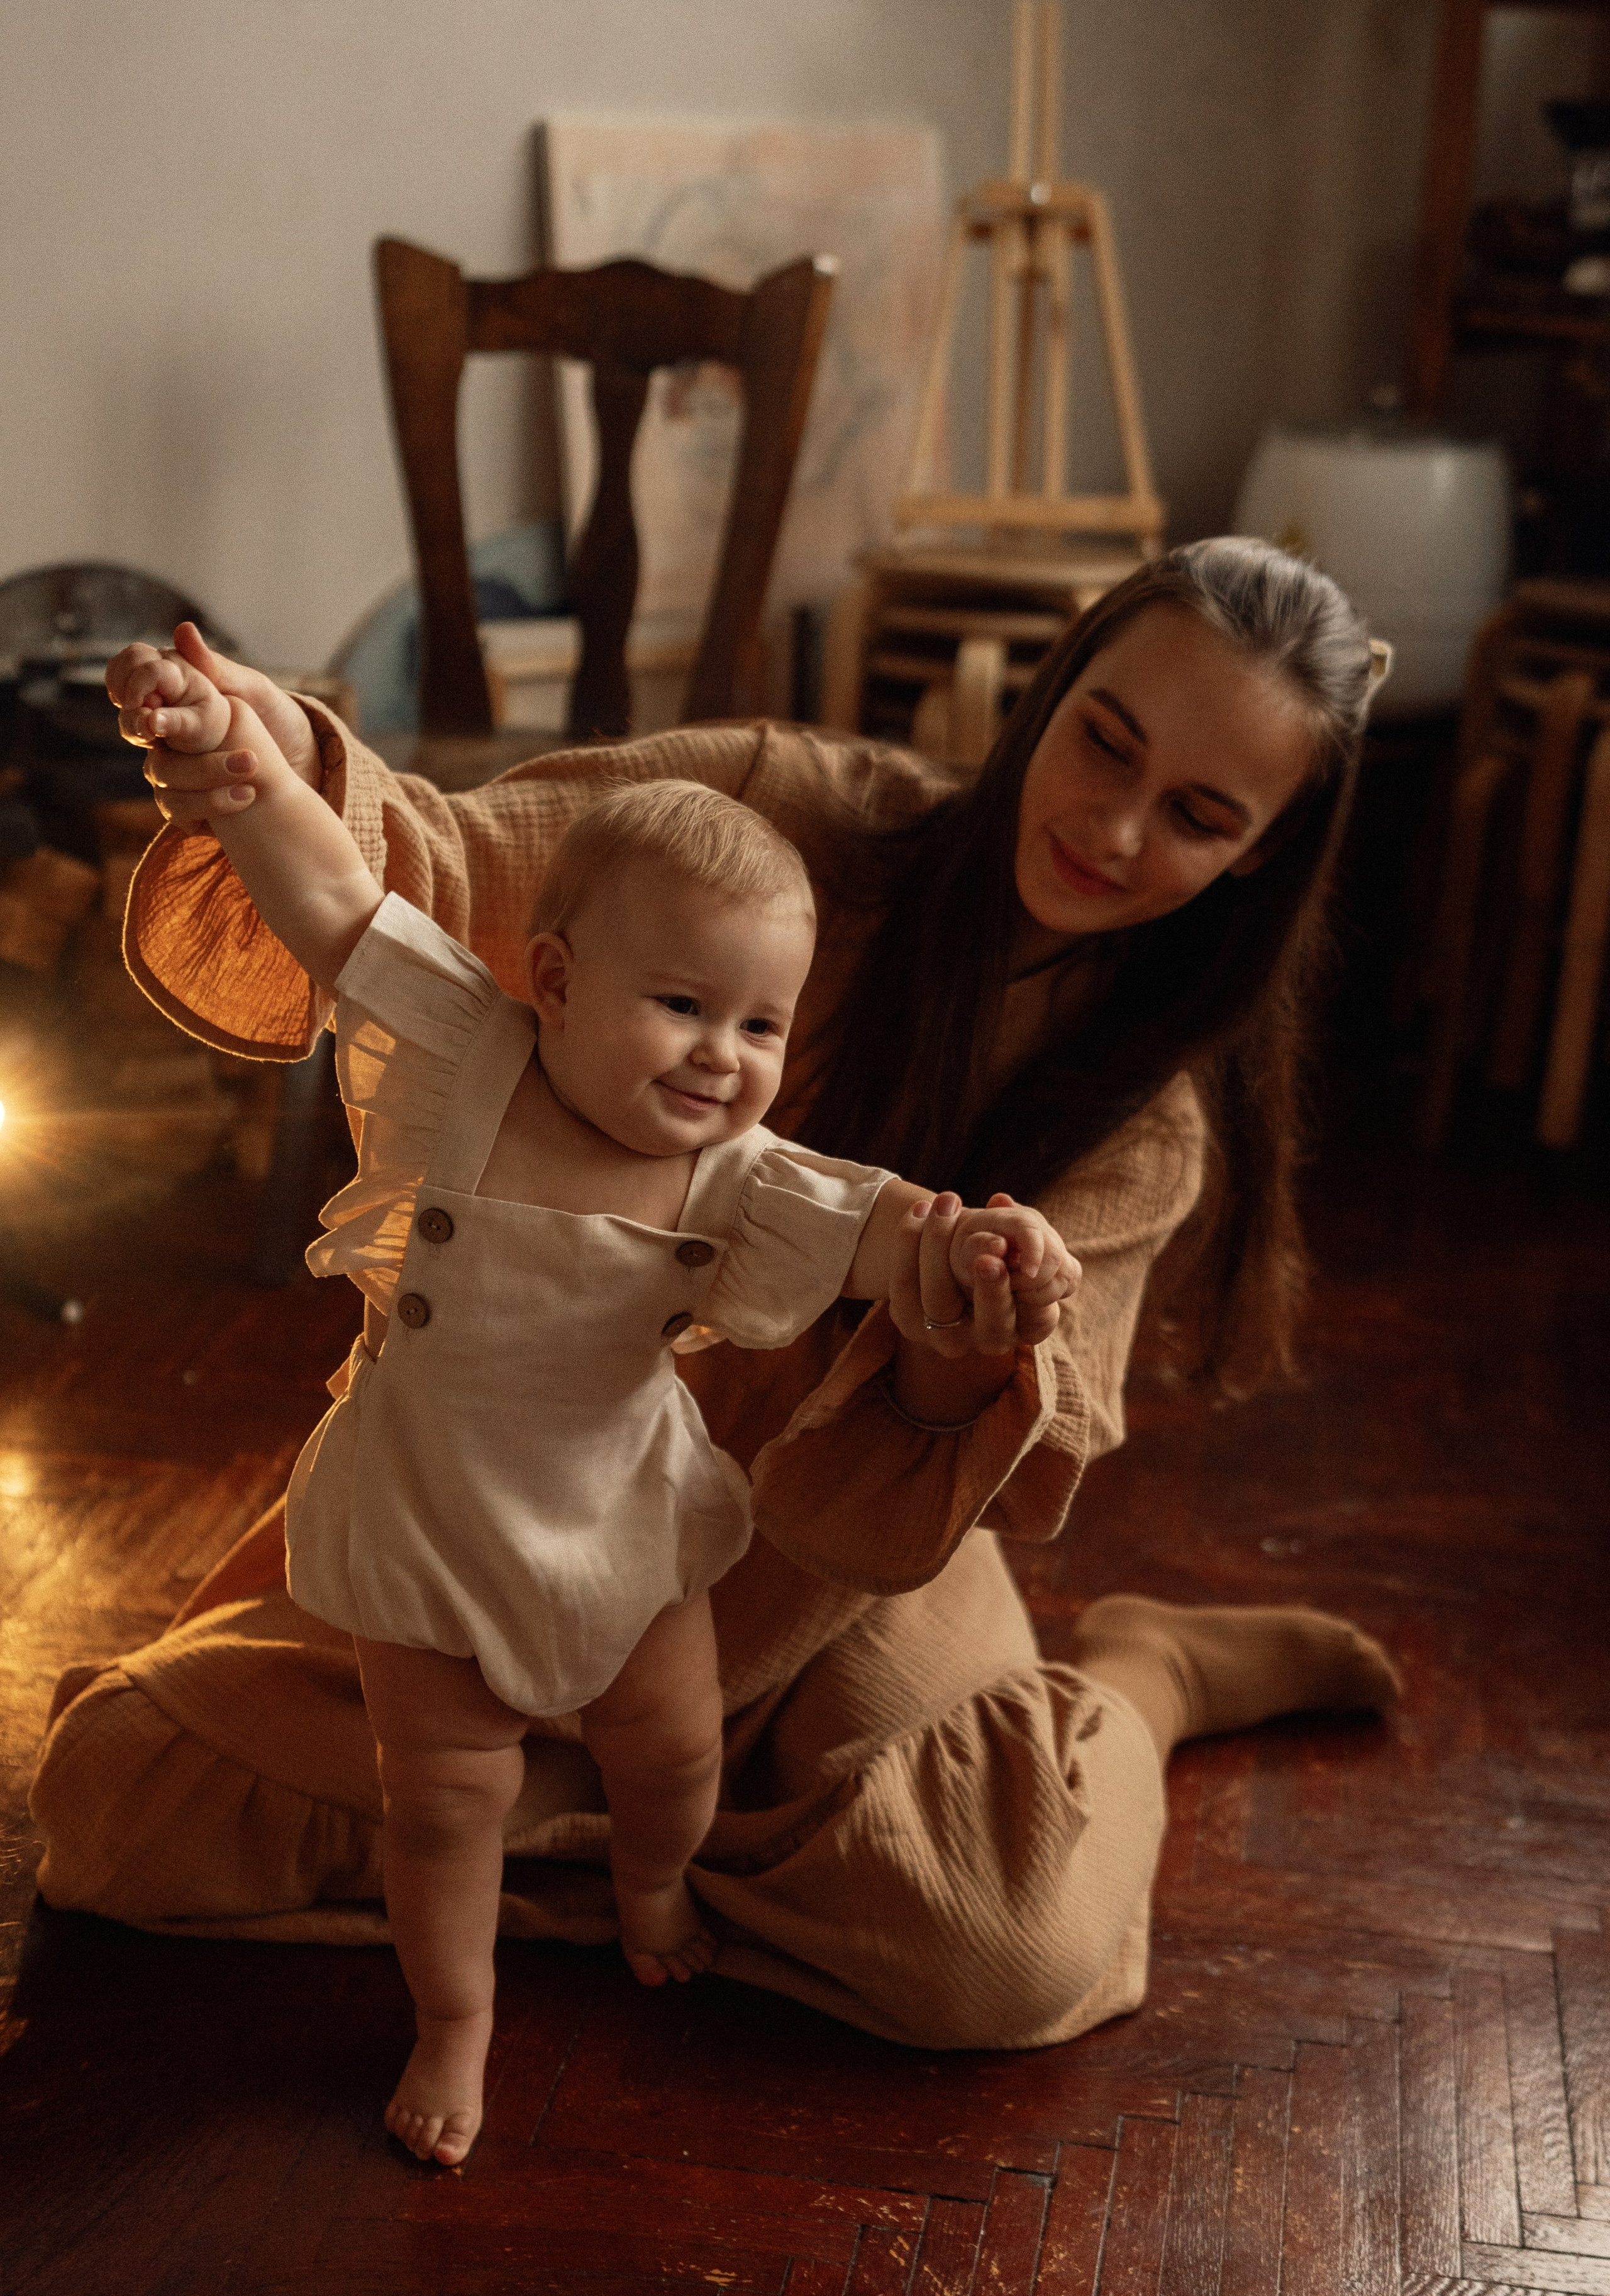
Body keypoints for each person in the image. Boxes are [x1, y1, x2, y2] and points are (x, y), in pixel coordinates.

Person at [31, 535, 1399, 2096]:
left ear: (1254, 861)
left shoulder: (1146, 1129)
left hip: (828, 1569)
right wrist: (267, 758)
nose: (1111, 824)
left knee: (996, 1946)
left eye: (1198, 818)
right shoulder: (789, 809)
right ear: (1054, 687)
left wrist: (973, 1315)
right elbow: (444, 872)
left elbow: (966, 1446)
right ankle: (562, 1840)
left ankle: (1143, 1678)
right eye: (1105, 739)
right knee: (120, 1807)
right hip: (495, 1496)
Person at [106, 646, 1080, 2162]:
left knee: (670, 1748)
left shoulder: (741, 1182)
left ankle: (649, 1882)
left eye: (761, 1026)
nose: (722, 1057)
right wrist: (243, 763)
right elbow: (334, 903)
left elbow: (884, 1226)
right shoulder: (461, 1053)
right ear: (552, 984)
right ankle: (455, 2022)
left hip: (623, 1518)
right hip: (432, 1516)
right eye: (682, 1003)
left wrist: (970, 1245)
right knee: (439, 1804)